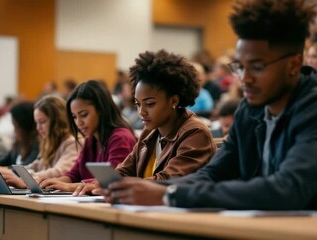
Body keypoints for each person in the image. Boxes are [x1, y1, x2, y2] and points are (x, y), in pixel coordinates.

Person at [102, 0, 317, 213]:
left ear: (293, 65)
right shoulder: (252, 108)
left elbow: (286, 189)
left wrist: (170, 196)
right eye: (240, 67)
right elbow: (214, 173)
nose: (245, 79)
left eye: (257, 67)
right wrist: (146, 188)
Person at [74, 50, 217, 196]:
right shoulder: (150, 132)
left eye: (149, 104)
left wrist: (120, 185)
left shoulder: (195, 133)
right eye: (137, 104)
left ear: (173, 100)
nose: (141, 112)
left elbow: (168, 180)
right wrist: (99, 184)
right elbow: (123, 171)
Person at [39, 80, 136, 192]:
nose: (78, 122)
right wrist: (52, 182)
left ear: (101, 109)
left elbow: (110, 181)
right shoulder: (91, 139)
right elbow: (73, 174)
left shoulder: (121, 137)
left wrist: (68, 186)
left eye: (84, 115)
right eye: (74, 117)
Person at [1, 96, 81, 188]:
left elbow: (59, 171)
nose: (38, 128)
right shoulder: (49, 142)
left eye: (42, 122)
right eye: (36, 123)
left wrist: (26, 177)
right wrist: (12, 173)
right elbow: (36, 165)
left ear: (57, 121)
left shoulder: (73, 142)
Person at [0, 101, 39, 167]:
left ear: (24, 126)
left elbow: (25, 169)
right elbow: (1, 163)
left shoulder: (37, 144)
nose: (14, 130)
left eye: (16, 126)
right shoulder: (19, 144)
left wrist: (4, 171)